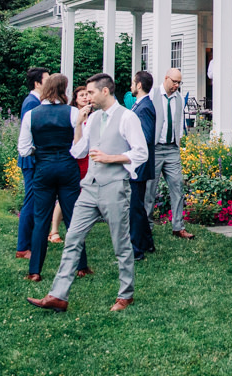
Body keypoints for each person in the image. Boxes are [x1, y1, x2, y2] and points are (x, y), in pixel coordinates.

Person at [27, 72, 149, 313]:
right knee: (72, 238)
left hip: (115, 187)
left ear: (105, 91)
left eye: (91, 92)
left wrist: (111, 158)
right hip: (90, 187)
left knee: (120, 243)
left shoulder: (128, 117)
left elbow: (141, 153)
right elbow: (78, 151)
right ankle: (58, 296)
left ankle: (126, 295)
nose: (87, 97)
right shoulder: (92, 118)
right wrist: (78, 126)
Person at [17, 73, 89, 282]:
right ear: (63, 90)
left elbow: (23, 149)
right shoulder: (72, 112)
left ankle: (35, 271)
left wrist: (39, 151)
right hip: (67, 167)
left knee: (41, 219)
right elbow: (80, 148)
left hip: (43, 168)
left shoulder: (32, 115)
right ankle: (81, 266)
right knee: (73, 218)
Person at [144, 68, 195, 240]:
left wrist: (178, 142)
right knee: (150, 189)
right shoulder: (152, 95)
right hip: (156, 149)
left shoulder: (179, 98)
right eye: (174, 82)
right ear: (166, 78)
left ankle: (178, 227)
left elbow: (179, 121)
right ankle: (146, 226)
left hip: (172, 149)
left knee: (177, 186)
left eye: (179, 82)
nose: (176, 85)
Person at [48, 85, 92, 244]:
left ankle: (77, 227)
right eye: (82, 95)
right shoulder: (72, 115)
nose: (85, 97)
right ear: (76, 99)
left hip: (88, 158)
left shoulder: (93, 116)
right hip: (74, 158)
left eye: (87, 94)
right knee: (67, 194)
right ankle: (54, 230)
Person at [16, 66, 49, 260]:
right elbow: (30, 132)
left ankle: (30, 242)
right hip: (31, 159)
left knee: (34, 200)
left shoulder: (36, 101)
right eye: (47, 79)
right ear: (37, 83)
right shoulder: (31, 103)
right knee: (31, 201)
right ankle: (23, 247)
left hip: (34, 157)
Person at [127, 73, 157, 260]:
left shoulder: (145, 107)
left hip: (139, 164)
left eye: (133, 83)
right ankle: (147, 243)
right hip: (138, 163)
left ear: (139, 85)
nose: (131, 86)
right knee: (137, 206)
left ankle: (136, 249)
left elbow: (146, 137)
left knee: (135, 207)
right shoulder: (139, 105)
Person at [207, 59, 232, 142]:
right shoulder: (213, 62)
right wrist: (221, 71)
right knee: (220, 111)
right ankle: (219, 134)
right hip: (219, 89)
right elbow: (210, 75)